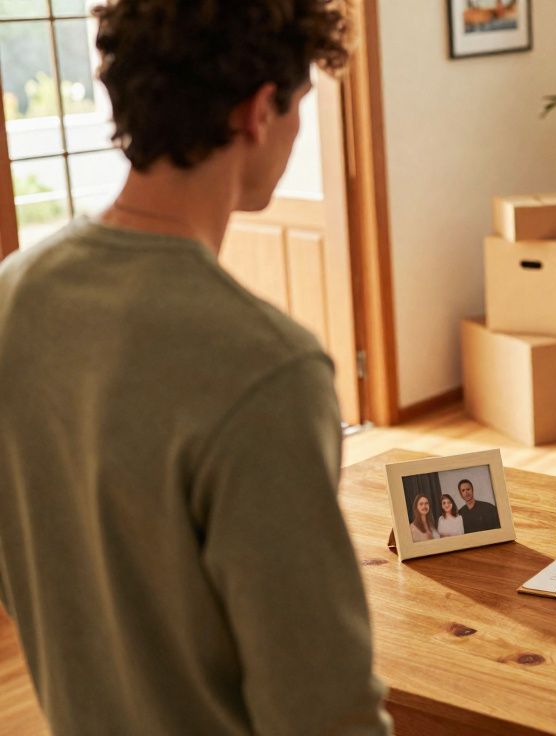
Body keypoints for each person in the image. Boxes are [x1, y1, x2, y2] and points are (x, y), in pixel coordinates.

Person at [0, 2, 391, 734]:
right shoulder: (269, 368)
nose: (298, 128)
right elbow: (323, 710)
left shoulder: (12, 297)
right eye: (299, 104)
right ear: (256, 113)